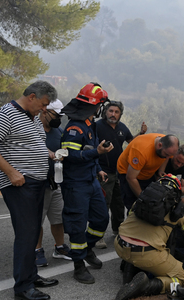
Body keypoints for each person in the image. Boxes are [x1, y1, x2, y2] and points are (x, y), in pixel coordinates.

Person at [0, 81, 59, 300]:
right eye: (43, 104)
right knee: (26, 233)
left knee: (33, 231)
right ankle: (23, 288)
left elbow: (35, 145)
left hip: (36, 182)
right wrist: (12, 173)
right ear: (31, 96)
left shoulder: (32, 118)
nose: (44, 110)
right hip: (20, 184)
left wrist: (50, 154)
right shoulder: (7, 114)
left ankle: (30, 276)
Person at [114, 175, 184, 300]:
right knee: (181, 277)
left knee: (137, 245)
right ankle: (146, 286)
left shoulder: (140, 201)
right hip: (146, 254)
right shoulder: (178, 211)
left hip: (120, 245)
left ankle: (130, 268)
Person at [60, 82, 114, 284]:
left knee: (101, 220)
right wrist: (97, 152)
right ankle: (79, 266)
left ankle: (87, 249)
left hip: (91, 181)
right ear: (95, 105)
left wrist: (98, 167)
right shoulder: (74, 127)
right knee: (77, 226)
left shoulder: (89, 124)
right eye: (101, 104)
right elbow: (71, 156)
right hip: (76, 185)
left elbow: (91, 152)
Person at [95, 101, 147, 249]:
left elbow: (132, 143)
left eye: (116, 112)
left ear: (120, 114)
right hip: (103, 172)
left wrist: (141, 134)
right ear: (106, 112)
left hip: (119, 173)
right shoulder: (97, 126)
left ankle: (117, 231)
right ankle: (98, 236)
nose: (113, 114)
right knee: (102, 204)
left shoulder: (123, 128)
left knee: (119, 204)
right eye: (110, 111)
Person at [35, 99, 71, 267]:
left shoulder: (58, 130)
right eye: (56, 115)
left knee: (58, 218)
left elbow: (65, 148)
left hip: (55, 182)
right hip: (37, 183)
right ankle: (37, 250)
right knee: (36, 220)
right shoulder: (33, 129)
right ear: (45, 111)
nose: (58, 119)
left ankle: (60, 247)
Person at [116, 133, 179, 210]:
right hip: (129, 173)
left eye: (169, 155)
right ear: (159, 145)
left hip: (147, 173)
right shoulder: (141, 150)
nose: (167, 157)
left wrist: (161, 170)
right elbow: (131, 178)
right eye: (166, 154)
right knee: (135, 205)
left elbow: (166, 157)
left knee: (152, 201)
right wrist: (142, 198)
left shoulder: (168, 146)